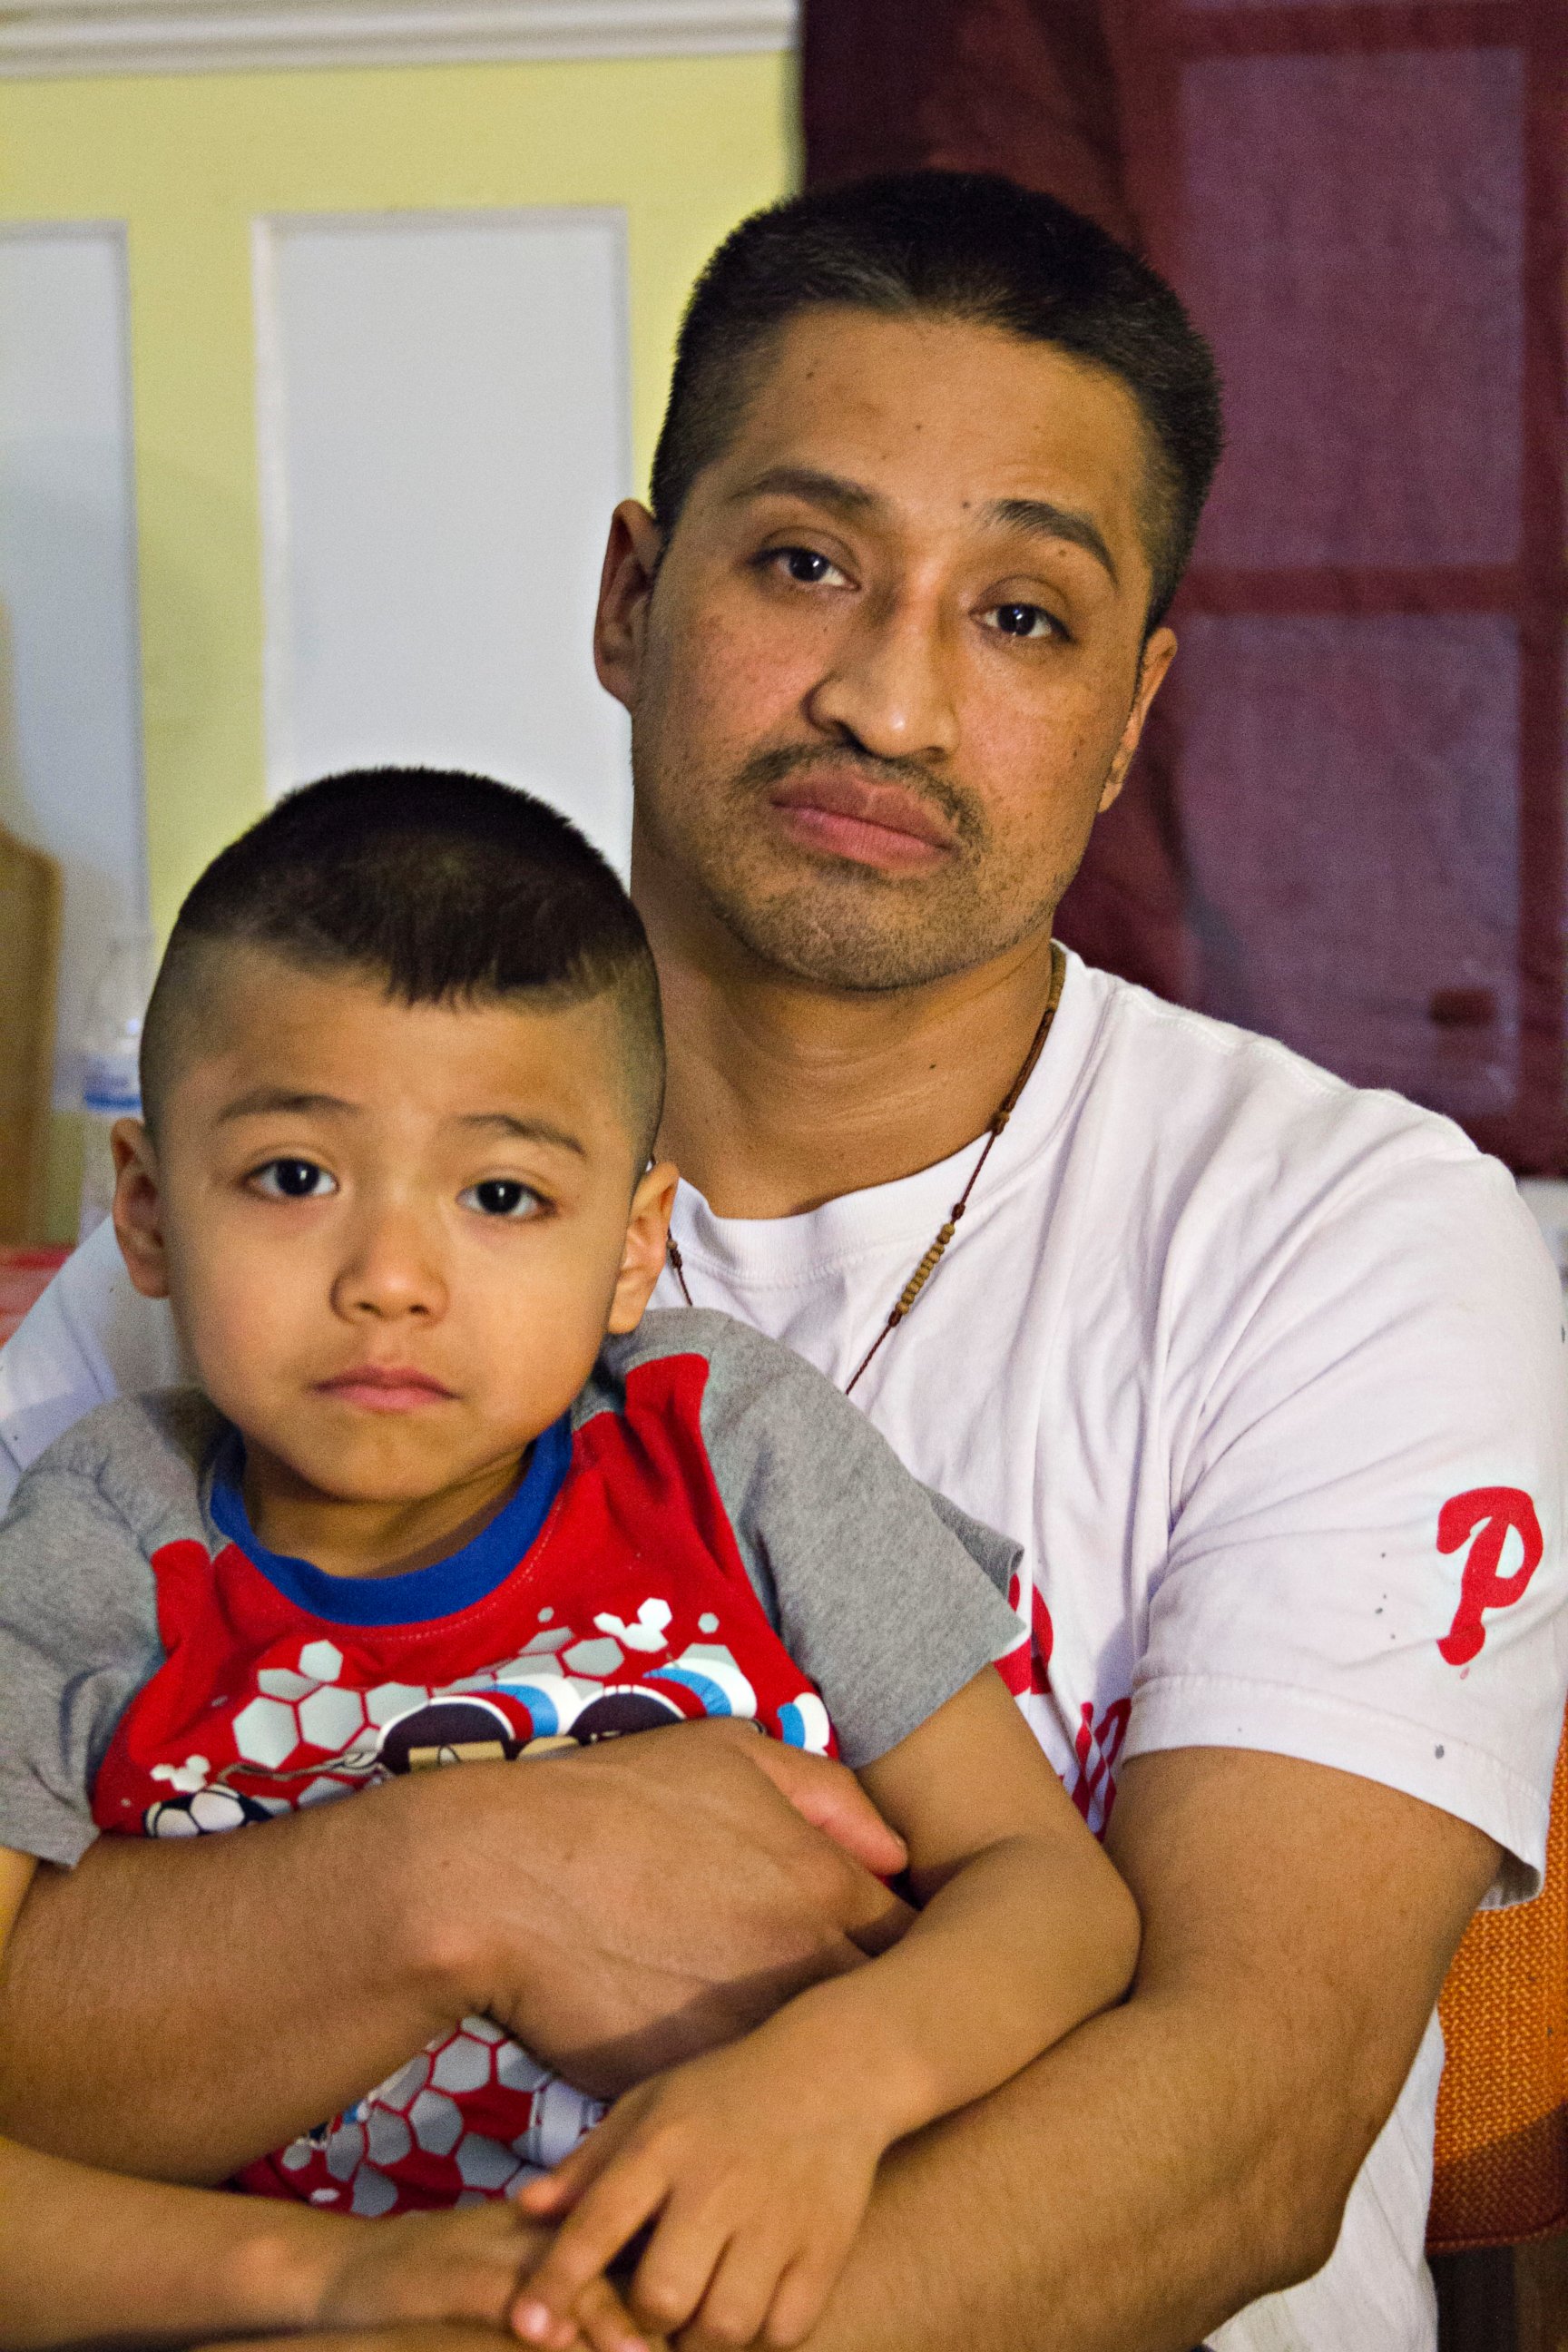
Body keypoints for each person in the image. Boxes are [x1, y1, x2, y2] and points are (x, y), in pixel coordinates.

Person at [0, 170, 1563, 2352]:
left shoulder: (1347, 1233)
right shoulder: (306, 1174)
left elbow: (1245, 2122)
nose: (891, 704)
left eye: (1021, 617)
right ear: (634, 595)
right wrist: (476, 1876)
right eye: (806, 564)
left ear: (1130, 712)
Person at [0, 768, 1136, 2352]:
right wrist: (332, 2284)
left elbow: (1056, 1901)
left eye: (502, 1194)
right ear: (144, 1209)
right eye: (293, 1177)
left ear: (629, 1243)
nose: (391, 1278)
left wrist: (825, 2090)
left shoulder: (723, 1443)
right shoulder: (101, 1537)